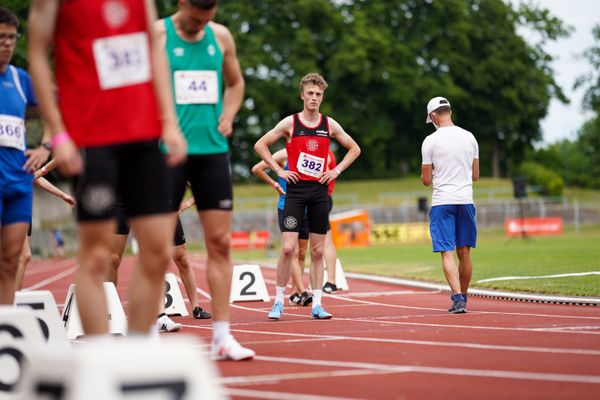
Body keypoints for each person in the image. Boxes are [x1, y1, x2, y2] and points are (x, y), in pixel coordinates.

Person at [28, 0, 188, 335]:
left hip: (144, 137)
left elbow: (153, 52)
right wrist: (59, 133)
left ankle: (140, 346)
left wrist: (169, 122)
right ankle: (102, 355)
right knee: (97, 257)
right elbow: (38, 57)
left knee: (158, 251)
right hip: (94, 140)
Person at [155, 0, 254, 360]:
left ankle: (222, 337)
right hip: (168, 152)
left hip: (212, 152)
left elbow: (236, 83)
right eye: (196, 18)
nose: (202, 24)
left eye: (208, 17)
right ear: (182, 4)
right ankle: (149, 331)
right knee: (156, 246)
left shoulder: (222, 37)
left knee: (220, 243)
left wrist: (228, 115)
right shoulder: (157, 34)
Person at [254, 72, 361, 320]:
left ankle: (317, 304)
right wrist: (280, 169)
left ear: (322, 98)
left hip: (319, 193)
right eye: (310, 93)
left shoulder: (329, 124)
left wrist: (336, 170)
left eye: (318, 94)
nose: (314, 98)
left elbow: (355, 148)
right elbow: (260, 145)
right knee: (288, 249)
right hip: (296, 192)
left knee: (317, 252)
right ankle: (278, 301)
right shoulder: (290, 123)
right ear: (302, 95)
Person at [0, 6, 53, 304]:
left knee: (13, 261)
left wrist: (45, 147)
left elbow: (53, 114)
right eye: (1, 37)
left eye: (11, 37)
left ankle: (4, 329)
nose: (8, 43)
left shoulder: (21, 80)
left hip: (19, 184)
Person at [106, 198, 212, 334]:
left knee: (172, 257)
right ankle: (109, 309)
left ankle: (169, 315)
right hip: (123, 200)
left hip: (157, 200)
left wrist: (187, 203)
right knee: (113, 259)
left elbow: (198, 180)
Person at [420, 96, 479, 314]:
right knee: (465, 252)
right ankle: (464, 296)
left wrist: (427, 174)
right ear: (450, 112)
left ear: (433, 116)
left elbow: (426, 180)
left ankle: (457, 299)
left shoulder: (430, 141)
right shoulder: (470, 137)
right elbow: (476, 175)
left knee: (447, 252)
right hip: (465, 199)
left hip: (442, 201)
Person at [251, 149, 312, 306]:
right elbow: (257, 168)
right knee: (292, 251)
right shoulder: (284, 154)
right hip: (287, 206)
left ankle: (295, 293)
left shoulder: (309, 151)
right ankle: (303, 291)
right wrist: (275, 184)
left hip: (306, 207)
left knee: (302, 253)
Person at [16, 159, 76, 290]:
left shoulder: (22, 150)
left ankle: (12, 300)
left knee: (21, 258)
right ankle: (11, 302)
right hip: (11, 204)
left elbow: (34, 176)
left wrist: (62, 195)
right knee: (23, 256)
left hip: (24, 206)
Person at [322, 149, 339, 293]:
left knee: (325, 240)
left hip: (321, 197)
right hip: (307, 197)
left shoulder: (325, 152)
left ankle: (331, 281)